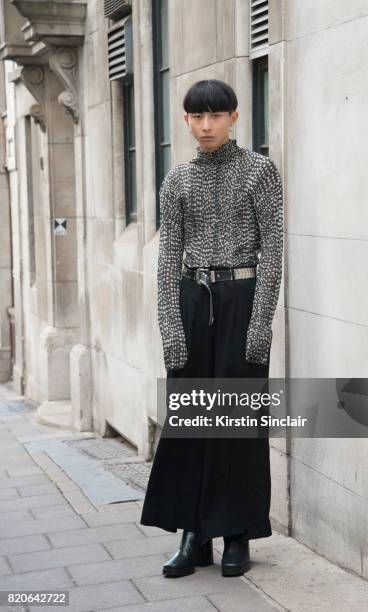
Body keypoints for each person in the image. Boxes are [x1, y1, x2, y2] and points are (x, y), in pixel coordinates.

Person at [140, 79, 283, 578]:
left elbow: (272, 253)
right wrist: (170, 326)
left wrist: (260, 322)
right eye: (197, 117)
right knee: (191, 421)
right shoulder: (177, 179)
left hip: (242, 298)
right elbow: (167, 258)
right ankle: (193, 535)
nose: (206, 126)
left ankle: (238, 534)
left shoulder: (261, 172)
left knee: (239, 423)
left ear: (234, 117)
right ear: (185, 121)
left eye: (215, 116)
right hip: (192, 301)